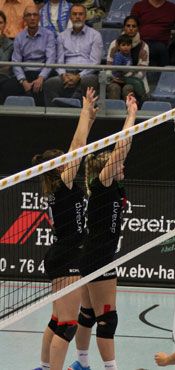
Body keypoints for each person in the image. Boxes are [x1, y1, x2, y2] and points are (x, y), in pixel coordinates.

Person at [67, 93, 137, 370]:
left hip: (92, 253)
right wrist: (131, 115)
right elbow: (121, 149)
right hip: (98, 256)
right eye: (117, 163)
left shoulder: (110, 185)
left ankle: (82, 364)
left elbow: (122, 151)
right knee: (108, 318)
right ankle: (111, 368)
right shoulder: (102, 185)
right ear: (105, 170)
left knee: (87, 314)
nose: (122, 164)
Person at [31, 88, 98, 370]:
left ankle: (45, 367)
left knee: (58, 319)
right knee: (68, 324)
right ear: (59, 168)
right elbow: (78, 144)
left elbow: (78, 146)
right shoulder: (63, 183)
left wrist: (91, 116)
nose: (70, 160)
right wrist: (84, 111)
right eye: (64, 160)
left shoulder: (59, 186)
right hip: (67, 256)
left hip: (63, 253)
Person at [43, 3, 102, 107]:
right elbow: (59, 61)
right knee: (49, 84)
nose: (77, 17)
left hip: (87, 73)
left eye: (81, 14)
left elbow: (95, 63)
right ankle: (55, 115)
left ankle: (72, 105)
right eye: (74, 14)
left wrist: (79, 76)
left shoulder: (95, 35)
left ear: (85, 16)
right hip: (67, 73)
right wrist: (63, 75)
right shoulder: (62, 36)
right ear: (70, 17)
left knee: (87, 81)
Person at [0, 5, 55, 106]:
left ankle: (42, 120)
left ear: (39, 17)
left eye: (35, 15)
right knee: (6, 87)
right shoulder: (19, 37)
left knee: (43, 87)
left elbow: (51, 59)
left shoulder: (49, 35)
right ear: (24, 19)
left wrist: (41, 78)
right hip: (25, 73)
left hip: (42, 72)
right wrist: (23, 81)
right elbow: (16, 62)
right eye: (29, 15)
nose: (32, 18)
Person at [130, 0, 175, 67]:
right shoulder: (138, 6)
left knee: (159, 49)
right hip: (140, 43)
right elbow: (130, 25)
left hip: (161, 45)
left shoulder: (173, 8)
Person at [106, 15, 149, 101]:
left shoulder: (144, 46)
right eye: (128, 26)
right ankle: (114, 113)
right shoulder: (114, 44)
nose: (131, 28)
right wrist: (115, 78)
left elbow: (142, 71)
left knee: (127, 89)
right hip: (115, 79)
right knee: (114, 88)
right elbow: (109, 66)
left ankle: (131, 112)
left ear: (138, 28)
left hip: (135, 79)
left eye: (134, 26)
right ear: (124, 27)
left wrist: (126, 79)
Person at [0, 10, 13, 85]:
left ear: (5, 25)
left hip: (3, 78)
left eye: (0, 23)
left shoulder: (11, 44)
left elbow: (8, 67)